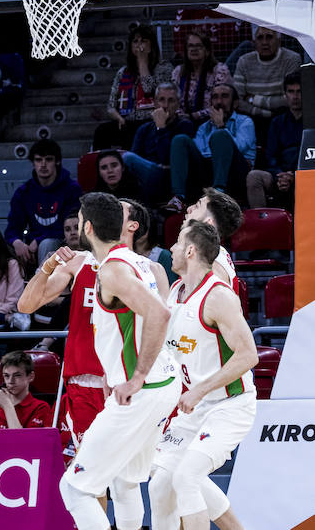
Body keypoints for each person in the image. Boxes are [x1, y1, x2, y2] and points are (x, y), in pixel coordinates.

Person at [59, 192, 179, 530]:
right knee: (125, 482)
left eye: (79, 220)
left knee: (74, 488)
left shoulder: (113, 270)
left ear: (88, 227)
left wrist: (137, 376)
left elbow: (159, 314)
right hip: (162, 384)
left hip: (142, 391)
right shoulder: (139, 262)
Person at [20, 200, 169, 462]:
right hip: (86, 381)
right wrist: (47, 267)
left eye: (119, 209)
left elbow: (163, 329)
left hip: (127, 382)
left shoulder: (151, 270)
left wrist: (140, 376)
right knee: (90, 466)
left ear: (133, 226)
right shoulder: (79, 262)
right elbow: (26, 305)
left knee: (130, 470)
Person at [148, 220, 258, 530]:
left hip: (229, 404)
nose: (171, 248)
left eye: (177, 243)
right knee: (160, 485)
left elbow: (248, 355)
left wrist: (199, 390)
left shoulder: (218, 296)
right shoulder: (176, 291)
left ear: (191, 251)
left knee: (187, 477)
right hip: (194, 408)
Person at [165, 84, 255, 212]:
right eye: (215, 97)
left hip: (236, 172)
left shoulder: (245, 122)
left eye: (224, 97)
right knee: (180, 139)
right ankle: (178, 197)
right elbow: (199, 154)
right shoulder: (204, 127)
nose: (219, 102)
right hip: (209, 172)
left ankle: (218, 194)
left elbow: (240, 147)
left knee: (220, 136)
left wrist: (221, 126)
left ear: (235, 103)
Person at [3, 138, 83, 269]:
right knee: (6, 246)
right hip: (32, 247)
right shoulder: (24, 192)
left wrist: (39, 240)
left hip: (64, 243)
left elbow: (70, 226)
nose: (43, 164)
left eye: (49, 159)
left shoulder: (72, 189)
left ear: (57, 161)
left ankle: (41, 280)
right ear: (33, 163)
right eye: (38, 160)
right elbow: (12, 228)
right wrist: (17, 242)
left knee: (47, 244)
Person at [95, 25, 174, 150]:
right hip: (126, 121)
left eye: (143, 41)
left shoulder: (163, 67)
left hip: (152, 120)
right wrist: (119, 118)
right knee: (102, 131)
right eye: (135, 41)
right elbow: (111, 106)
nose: (139, 45)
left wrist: (142, 62)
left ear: (151, 45)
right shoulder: (123, 72)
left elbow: (148, 90)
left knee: (136, 134)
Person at [123, 82, 195, 203]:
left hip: (171, 177)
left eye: (171, 101)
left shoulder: (185, 125)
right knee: (126, 158)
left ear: (178, 104)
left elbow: (165, 159)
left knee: (128, 157)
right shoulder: (144, 129)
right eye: (161, 100)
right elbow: (135, 160)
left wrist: (161, 128)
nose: (165, 105)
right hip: (148, 174)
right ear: (155, 103)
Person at [234, 26, 302, 141]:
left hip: (283, 117)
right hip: (253, 119)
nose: (264, 42)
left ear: (279, 40)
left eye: (269, 37)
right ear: (254, 42)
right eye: (260, 38)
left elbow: (290, 98)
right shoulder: (244, 61)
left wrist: (253, 99)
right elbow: (237, 101)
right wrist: (266, 113)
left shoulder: (292, 59)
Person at [246, 71, 303, 208]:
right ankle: (262, 221)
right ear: (285, 94)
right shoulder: (277, 122)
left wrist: (294, 175)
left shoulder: (312, 121)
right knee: (254, 177)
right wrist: (281, 175)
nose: (295, 96)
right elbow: (271, 156)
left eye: (299, 91)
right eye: (291, 91)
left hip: (305, 174)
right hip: (279, 175)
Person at [183, 188, 244, 294]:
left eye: (197, 206)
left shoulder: (213, 266)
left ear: (208, 222)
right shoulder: (210, 253)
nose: (189, 209)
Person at [0, 351, 52, 430]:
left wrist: (7, 406)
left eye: (17, 375)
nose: (10, 381)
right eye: (6, 376)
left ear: (31, 376)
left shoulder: (41, 408)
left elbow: (20, 438)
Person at [171, 31, 233, 123]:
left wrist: (193, 116)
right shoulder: (178, 72)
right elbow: (172, 100)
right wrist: (181, 116)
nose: (194, 49)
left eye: (198, 46)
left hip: (213, 120)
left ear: (207, 51)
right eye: (190, 46)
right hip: (182, 121)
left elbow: (221, 104)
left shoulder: (220, 71)